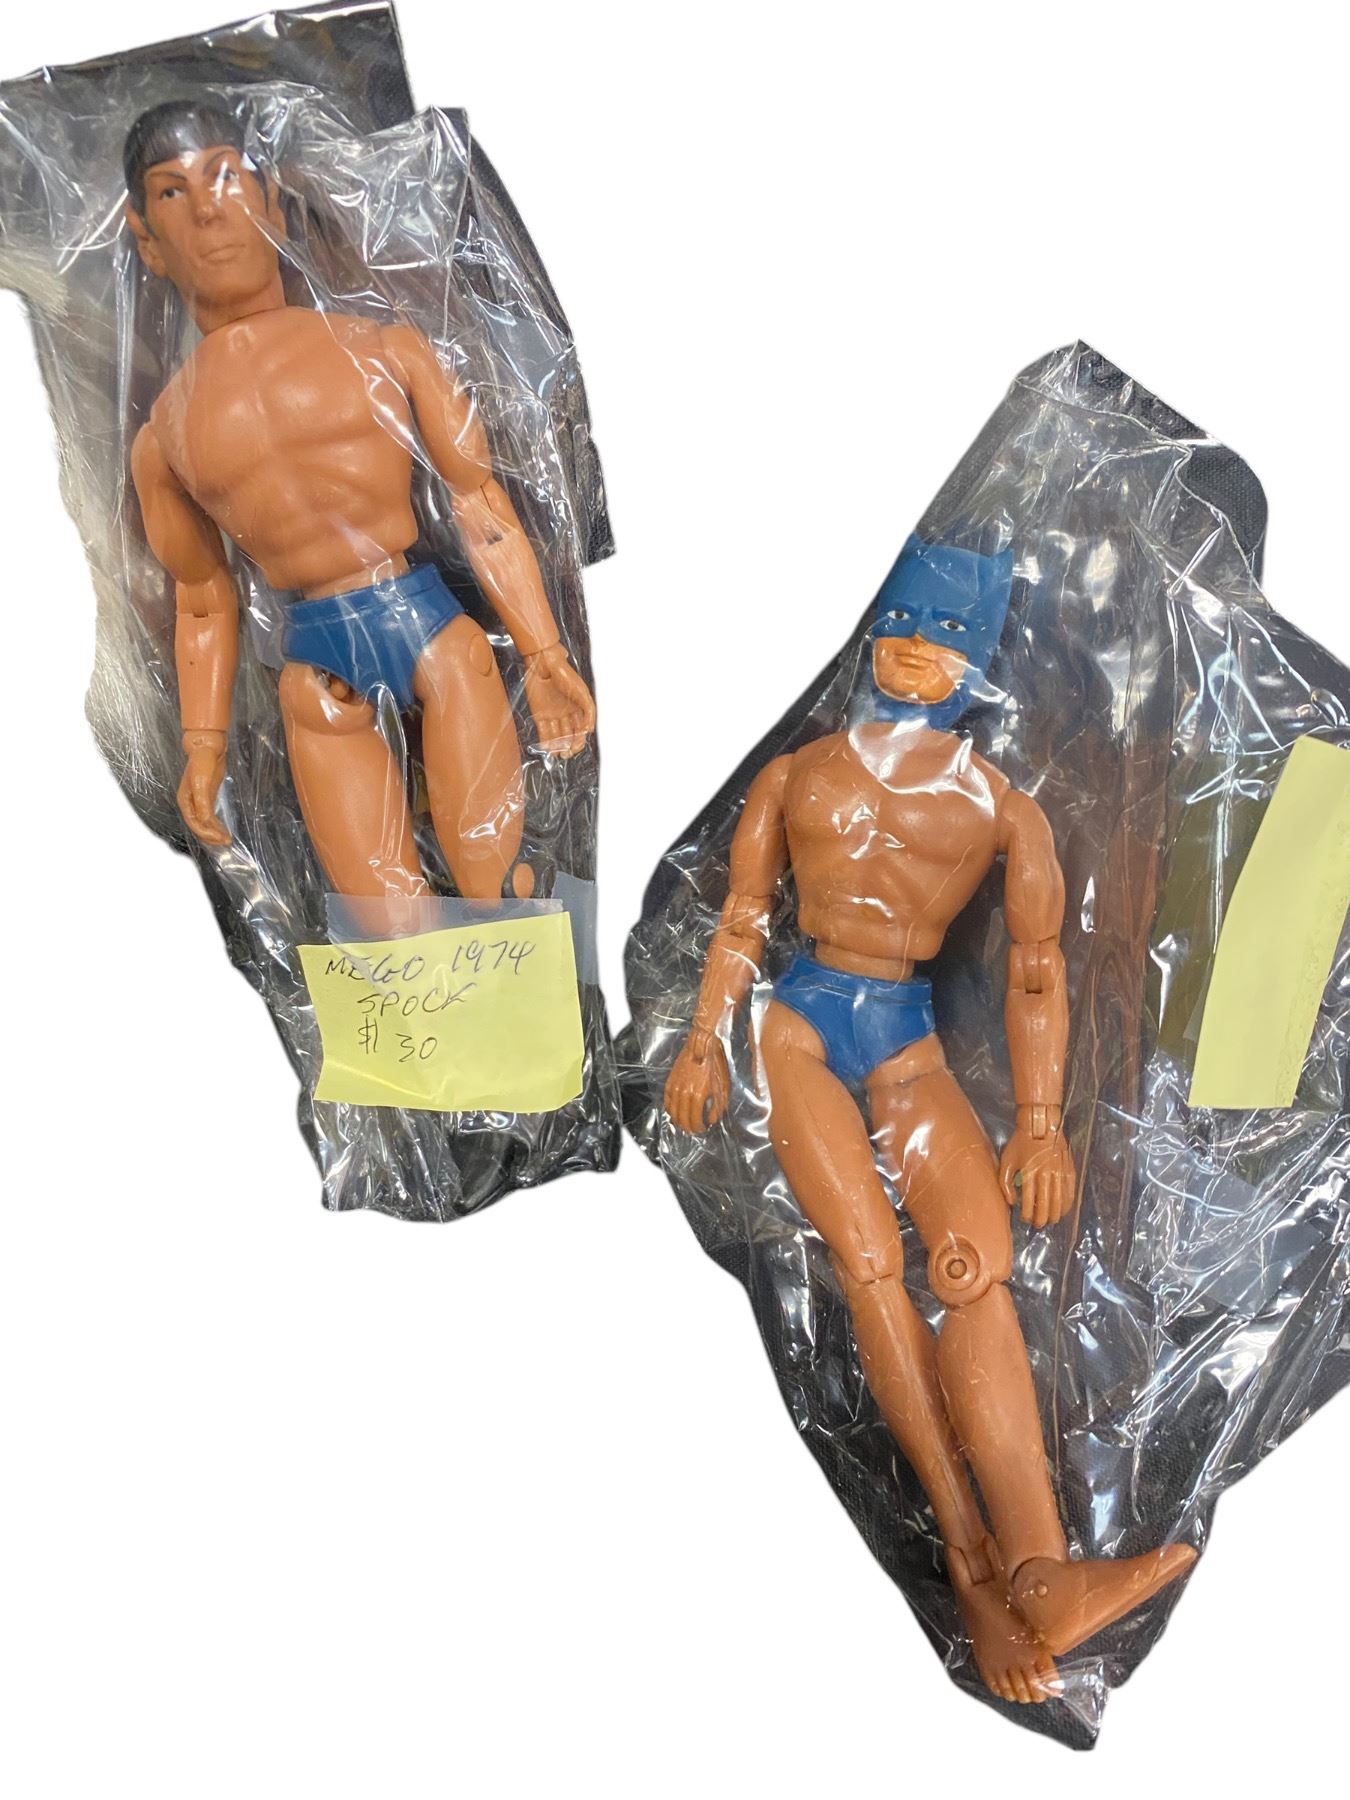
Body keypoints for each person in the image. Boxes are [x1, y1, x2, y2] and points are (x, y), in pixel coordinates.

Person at [664, 536, 1194, 1703]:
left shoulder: (1003, 808)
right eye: (901, 625)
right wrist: (704, 1041)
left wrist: (1041, 1122)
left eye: (946, 635)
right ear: (872, 633)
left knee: (972, 1267)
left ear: (978, 661)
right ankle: (969, 1561)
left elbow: (1039, 969)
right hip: (804, 1025)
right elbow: (744, 915)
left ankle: (1041, 1569)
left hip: (906, 1036)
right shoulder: (798, 776)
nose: (915, 650)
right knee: (869, 1265)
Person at [125, 101, 594, 905]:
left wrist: (545, 654)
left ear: (273, 204)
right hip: (316, 666)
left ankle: (518, 958)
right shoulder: (163, 435)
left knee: (496, 882)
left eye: (226, 177)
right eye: (173, 192)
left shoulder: (386, 349)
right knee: (384, 921)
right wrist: (202, 747)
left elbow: (480, 505)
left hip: (432, 633)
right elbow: (201, 598)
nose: (207, 211)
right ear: (146, 241)